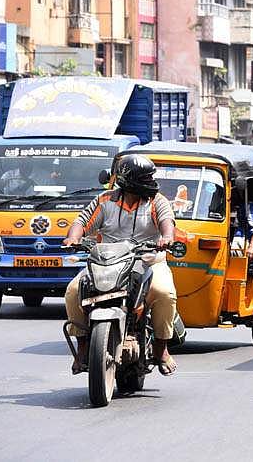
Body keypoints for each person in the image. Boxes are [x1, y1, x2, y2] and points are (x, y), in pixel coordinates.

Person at [62, 155, 178, 375]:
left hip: (148, 262)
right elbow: (82, 222)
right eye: (146, 177)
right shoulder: (105, 200)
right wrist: (73, 238)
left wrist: (166, 238)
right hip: (106, 262)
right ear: (131, 179)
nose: (151, 181)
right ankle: (84, 346)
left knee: (164, 293)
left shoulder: (157, 201)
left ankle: (162, 349)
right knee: (73, 291)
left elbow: (167, 223)